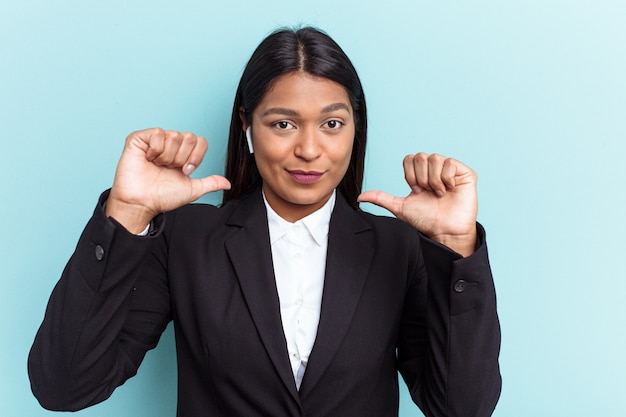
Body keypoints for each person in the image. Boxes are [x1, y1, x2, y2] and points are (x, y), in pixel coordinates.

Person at [28, 27, 501, 416]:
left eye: (332, 124)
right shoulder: (186, 241)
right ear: (246, 127)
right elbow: (64, 386)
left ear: (356, 128)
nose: (310, 150)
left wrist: (454, 248)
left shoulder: (400, 249)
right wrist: (127, 213)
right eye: (283, 124)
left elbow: (462, 408)